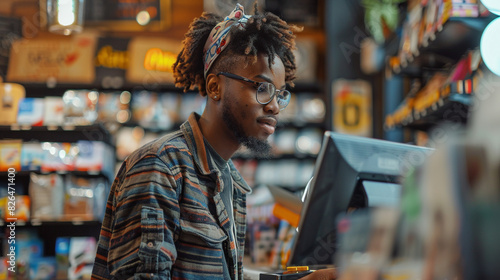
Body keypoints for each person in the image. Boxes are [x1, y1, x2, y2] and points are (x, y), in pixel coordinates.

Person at [91, 3, 335, 280]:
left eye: (279, 94)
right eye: (262, 88)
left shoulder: (230, 180)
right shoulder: (160, 167)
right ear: (215, 87)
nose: (275, 107)